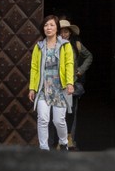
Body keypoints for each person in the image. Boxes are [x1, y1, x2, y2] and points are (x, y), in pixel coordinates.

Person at [29, 14, 73, 151]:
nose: (48, 28)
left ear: (57, 28)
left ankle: (64, 142)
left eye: (52, 25)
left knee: (58, 121)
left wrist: (70, 83)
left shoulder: (65, 46)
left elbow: (69, 64)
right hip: (43, 87)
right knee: (43, 119)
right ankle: (44, 148)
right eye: (46, 25)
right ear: (43, 28)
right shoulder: (39, 47)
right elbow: (34, 68)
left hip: (60, 87)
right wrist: (32, 88)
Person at [59, 17, 92, 150]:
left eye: (66, 31)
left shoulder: (76, 45)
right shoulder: (53, 44)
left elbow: (89, 56)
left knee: (71, 113)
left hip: (72, 83)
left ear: (70, 32)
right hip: (57, 84)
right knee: (57, 114)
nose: (63, 34)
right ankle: (58, 141)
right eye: (61, 32)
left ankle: (70, 140)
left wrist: (80, 70)